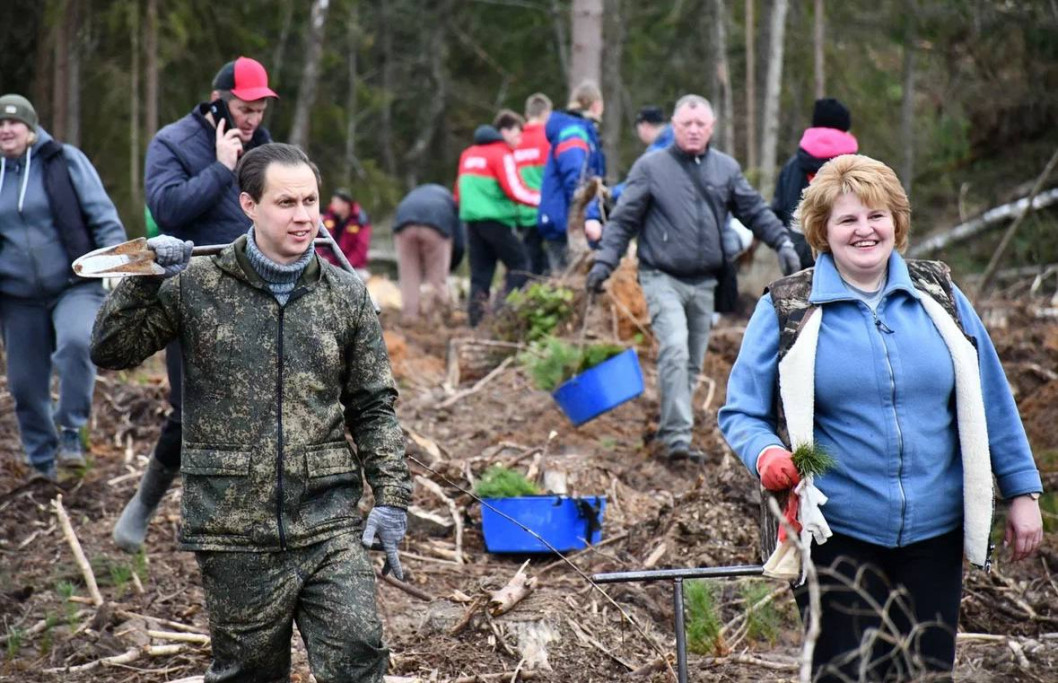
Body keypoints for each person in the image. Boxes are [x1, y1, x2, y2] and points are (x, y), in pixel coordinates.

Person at [91, 143, 411, 682]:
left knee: (359, 654)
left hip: (327, 521)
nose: (305, 216)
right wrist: (143, 275)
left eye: (310, 200)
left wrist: (393, 500)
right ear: (248, 205)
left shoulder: (344, 295)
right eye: (286, 202)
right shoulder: (197, 284)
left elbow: (373, 405)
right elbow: (111, 350)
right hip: (234, 526)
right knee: (248, 673)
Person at [719, 154, 1043, 681]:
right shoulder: (789, 307)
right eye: (847, 220)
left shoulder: (938, 295)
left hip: (935, 533)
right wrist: (767, 452)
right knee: (847, 671)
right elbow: (740, 411)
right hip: (836, 532)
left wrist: (1023, 492)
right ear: (823, 231)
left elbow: (990, 396)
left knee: (923, 669)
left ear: (897, 221)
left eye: (876, 216)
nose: (864, 230)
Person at [113, 56, 277, 553]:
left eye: (260, 109)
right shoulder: (172, 143)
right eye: (244, 108)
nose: (252, 119)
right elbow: (167, 212)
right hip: (191, 293)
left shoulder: (265, 147)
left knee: (265, 403)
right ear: (218, 101)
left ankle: (245, 515)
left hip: (259, 290)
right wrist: (220, 169)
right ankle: (143, 504)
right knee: (190, 411)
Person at [587, 95, 800, 463]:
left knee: (691, 362)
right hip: (661, 276)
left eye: (701, 124)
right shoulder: (651, 167)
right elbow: (623, 220)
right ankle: (677, 439)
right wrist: (604, 262)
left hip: (705, 282)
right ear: (674, 126)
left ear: (712, 128)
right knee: (674, 347)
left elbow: (754, 210)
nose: (694, 130)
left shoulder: (725, 169)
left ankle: (673, 427)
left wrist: (781, 241)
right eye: (686, 124)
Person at [0, 94, 127, 480]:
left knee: (76, 344)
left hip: (75, 283)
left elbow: (102, 214)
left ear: (32, 128)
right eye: (0, 125)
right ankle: (42, 460)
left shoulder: (63, 160)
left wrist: (116, 264)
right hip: (17, 297)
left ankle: (71, 431)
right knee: (24, 385)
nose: (6, 130)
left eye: (14, 123)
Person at [454, 119, 539, 327]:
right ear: (505, 131)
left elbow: (458, 193)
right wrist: (543, 201)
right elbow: (515, 189)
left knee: (480, 276)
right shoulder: (501, 153)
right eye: (518, 134)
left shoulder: (468, 154)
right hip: (496, 221)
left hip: (471, 222)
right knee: (521, 265)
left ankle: (476, 323)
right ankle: (503, 313)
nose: (519, 140)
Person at [772, 97, 859, 269]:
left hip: (800, 259)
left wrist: (787, 243)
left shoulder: (793, 165)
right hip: (848, 258)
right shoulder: (857, 165)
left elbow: (778, 210)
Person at [537, 80, 606, 271]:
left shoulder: (572, 130)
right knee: (573, 284)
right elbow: (578, 178)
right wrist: (590, 217)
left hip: (562, 220)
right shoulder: (574, 133)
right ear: (596, 105)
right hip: (567, 225)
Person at [583, 104, 674, 243]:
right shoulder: (675, 144)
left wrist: (609, 193)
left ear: (645, 126)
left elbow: (638, 184)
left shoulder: (656, 154)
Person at [392, 183, 461, 323]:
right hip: (436, 226)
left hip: (404, 225)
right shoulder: (451, 201)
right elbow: (460, 242)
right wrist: (451, 265)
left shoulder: (414, 195)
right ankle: (434, 318)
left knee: (409, 275)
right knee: (436, 278)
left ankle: (410, 317)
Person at [515, 93, 552, 275]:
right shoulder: (548, 138)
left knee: (529, 264)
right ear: (546, 113)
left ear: (526, 114)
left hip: (521, 213)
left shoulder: (516, 140)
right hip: (546, 210)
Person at [318, 188, 372, 275]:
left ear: (345, 205)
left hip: (353, 267)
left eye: (335, 203)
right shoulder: (328, 216)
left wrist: (344, 265)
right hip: (329, 263)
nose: (332, 205)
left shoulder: (360, 221)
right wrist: (322, 258)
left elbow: (361, 249)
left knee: (361, 277)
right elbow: (319, 238)